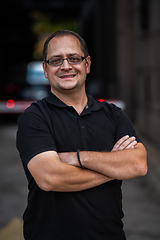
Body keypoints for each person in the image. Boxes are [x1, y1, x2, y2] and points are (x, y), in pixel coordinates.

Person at [16, 30, 147, 240]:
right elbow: (51, 177)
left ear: (87, 64)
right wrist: (114, 169)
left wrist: (78, 157)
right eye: (56, 60)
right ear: (45, 69)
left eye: (74, 58)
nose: (66, 66)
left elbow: (138, 165)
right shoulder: (34, 117)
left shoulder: (113, 114)